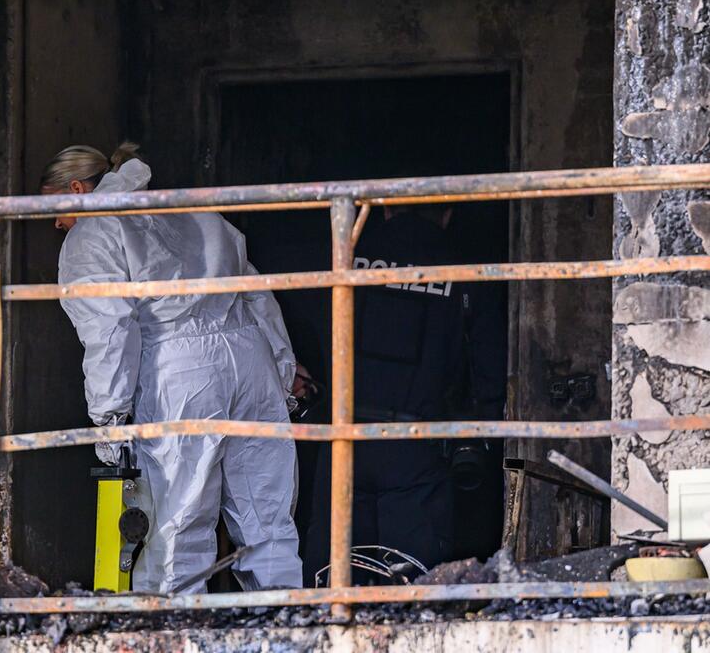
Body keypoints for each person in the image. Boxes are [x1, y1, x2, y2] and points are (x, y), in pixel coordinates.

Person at [45, 142, 303, 593]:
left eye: (52, 205)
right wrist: (282, 373)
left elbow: (110, 330)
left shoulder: (91, 235)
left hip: (181, 373)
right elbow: (256, 292)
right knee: (268, 518)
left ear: (77, 188)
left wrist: (109, 419)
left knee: (176, 526)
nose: (53, 221)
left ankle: (177, 633)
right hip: (250, 360)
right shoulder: (189, 211)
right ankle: (289, 626)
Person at [304, 203, 506, 586]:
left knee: (334, 576)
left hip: (341, 438)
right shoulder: (463, 270)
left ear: (385, 211)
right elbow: (488, 364)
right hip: (417, 448)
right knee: (412, 581)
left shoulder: (344, 260)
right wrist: (486, 438)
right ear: (447, 214)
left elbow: (312, 332)